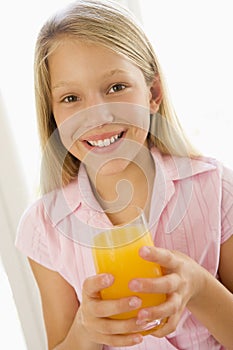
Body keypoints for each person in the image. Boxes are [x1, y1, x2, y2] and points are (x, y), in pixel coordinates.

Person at [15, 0, 233, 349]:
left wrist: (200, 287)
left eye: (116, 87)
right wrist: (85, 330)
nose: (98, 116)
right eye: (71, 98)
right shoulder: (45, 228)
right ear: (53, 114)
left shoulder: (215, 188)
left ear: (153, 94)